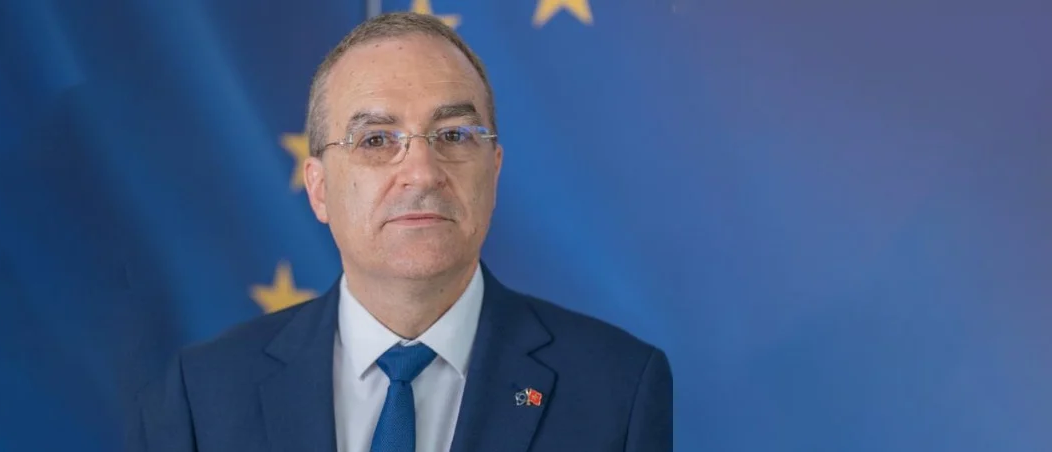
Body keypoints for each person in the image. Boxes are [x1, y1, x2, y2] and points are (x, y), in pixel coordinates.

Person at [125, 11, 672, 452]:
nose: (422, 172)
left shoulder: (617, 386)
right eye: (376, 140)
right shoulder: (203, 396)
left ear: (494, 169)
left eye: (454, 135)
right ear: (318, 188)